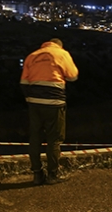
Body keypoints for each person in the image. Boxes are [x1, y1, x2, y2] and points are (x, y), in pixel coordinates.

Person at [20, 38, 78, 185]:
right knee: (54, 139)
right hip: (54, 102)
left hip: (34, 103)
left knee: (35, 138)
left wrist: (29, 98)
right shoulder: (62, 54)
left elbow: (24, 82)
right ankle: (53, 174)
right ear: (59, 45)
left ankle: (37, 175)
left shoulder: (32, 56)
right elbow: (73, 76)